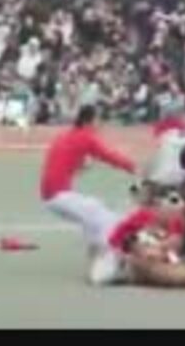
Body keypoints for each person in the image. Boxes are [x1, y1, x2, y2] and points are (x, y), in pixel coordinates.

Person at [39, 105, 138, 283]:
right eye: (98, 119)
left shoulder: (66, 135)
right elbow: (109, 155)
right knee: (106, 218)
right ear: (88, 121)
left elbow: (65, 161)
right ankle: (106, 262)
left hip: (52, 195)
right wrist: (133, 167)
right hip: (58, 196)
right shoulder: (87, 137)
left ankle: (95, 251)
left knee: (93, 210)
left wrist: (80, 165)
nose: (101, 124)